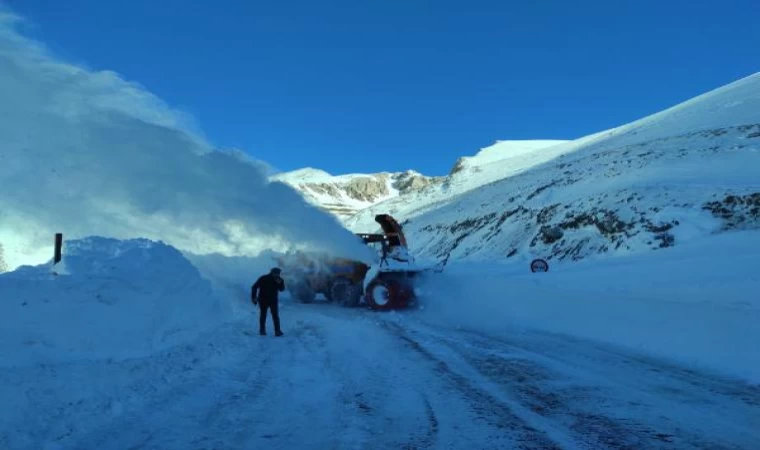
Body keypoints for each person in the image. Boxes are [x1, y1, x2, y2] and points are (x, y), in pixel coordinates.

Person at [251, 267, 285, 336]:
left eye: (278, 274)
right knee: (263, 315)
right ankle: (262, 330)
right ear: (272, 273)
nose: (277, 275)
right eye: (276, 273)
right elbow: (254, 287)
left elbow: (282, 289)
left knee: (275, 315)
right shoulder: (264, 278)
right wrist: (253, 297)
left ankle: (277, 331)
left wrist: (280, 283)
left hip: (273, 300)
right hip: (263, 300)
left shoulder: (280, 279)